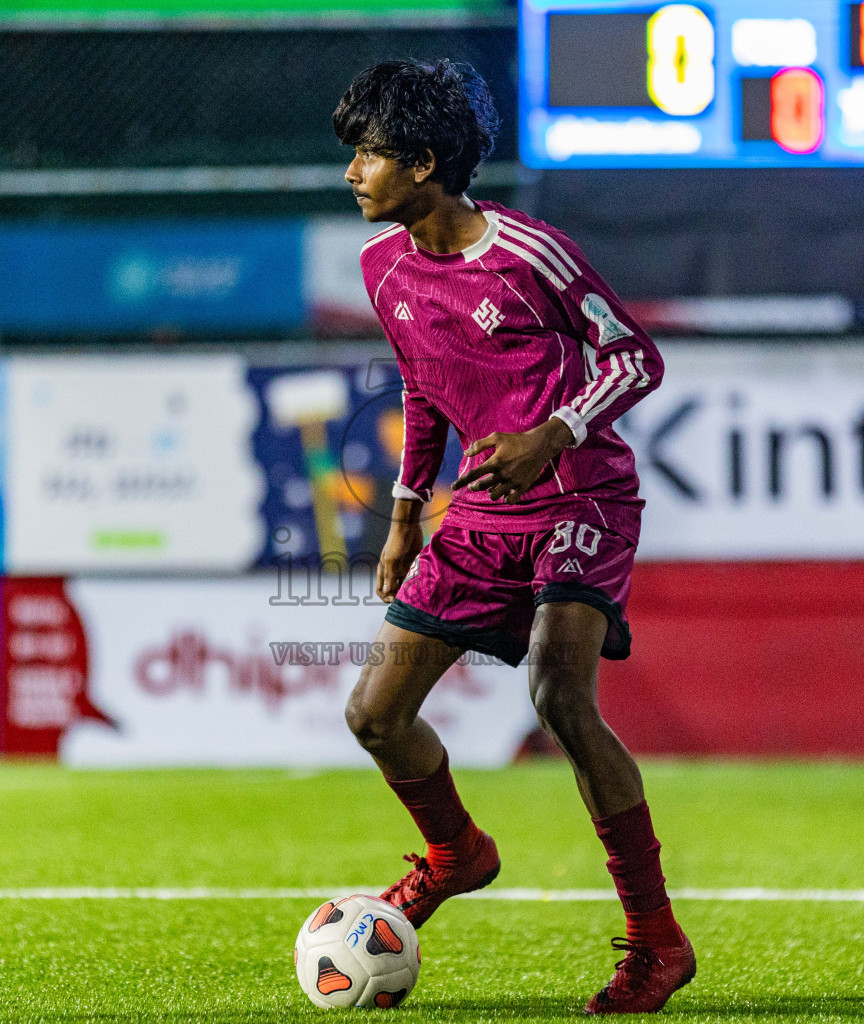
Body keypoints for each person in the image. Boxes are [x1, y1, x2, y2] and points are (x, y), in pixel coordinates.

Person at [333, 59, 691, 1015]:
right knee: (374, 715)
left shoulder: (531, 253)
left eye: (369, 153)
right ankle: (457, 853)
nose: (352, 172)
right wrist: (405, 520)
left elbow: (636, 357)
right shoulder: (382, 268)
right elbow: (423, 389)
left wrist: (553, 434)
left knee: (559, 694)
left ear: (423, 163)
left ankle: (658, 942)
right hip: (479, 519)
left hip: (582, 498)